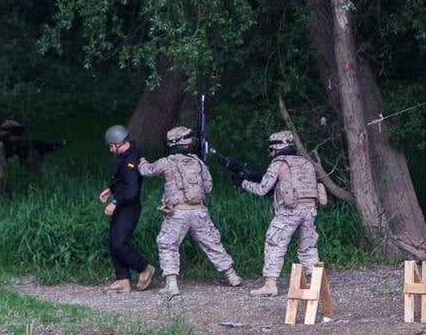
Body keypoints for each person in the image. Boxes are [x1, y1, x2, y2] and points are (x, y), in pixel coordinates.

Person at [137, 126, 242, 297]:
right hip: (199, 211)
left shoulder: (167, 162)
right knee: (212, 243)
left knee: (167, 244)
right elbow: (208, 187)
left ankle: (172, 284)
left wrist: (141, 160)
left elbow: (146, 171)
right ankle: (232, 276)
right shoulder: (198, 162)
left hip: (177, 213)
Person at [238, 130, 325, 297]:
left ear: (277, 148)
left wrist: (243, 183)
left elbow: (262, 189)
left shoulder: (279, 163)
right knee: (308, 247)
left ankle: (270, 285)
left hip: (289, 211)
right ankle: (316, 282)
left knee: (274, 243)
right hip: (310, 210)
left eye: (271, 149)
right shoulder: (305, 162)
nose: (270, 153)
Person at [99, 125, 154, 293]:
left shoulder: (132, 160)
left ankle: (144, 268)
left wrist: (115, 202)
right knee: (114, 241)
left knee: (119, 244)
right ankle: (122, 279)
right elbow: (121, 180)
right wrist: (111, 189)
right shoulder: (124, 155)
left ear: (118, 143)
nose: (110, 149)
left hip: (128, 207)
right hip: (123, 204)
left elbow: (131, 191)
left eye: (111, 146)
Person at [0, 119, 67, 162]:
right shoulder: (0, 146)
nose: (17, 137)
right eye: (15, 134)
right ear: (6, 135)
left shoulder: (16, 145)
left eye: (19, 134)